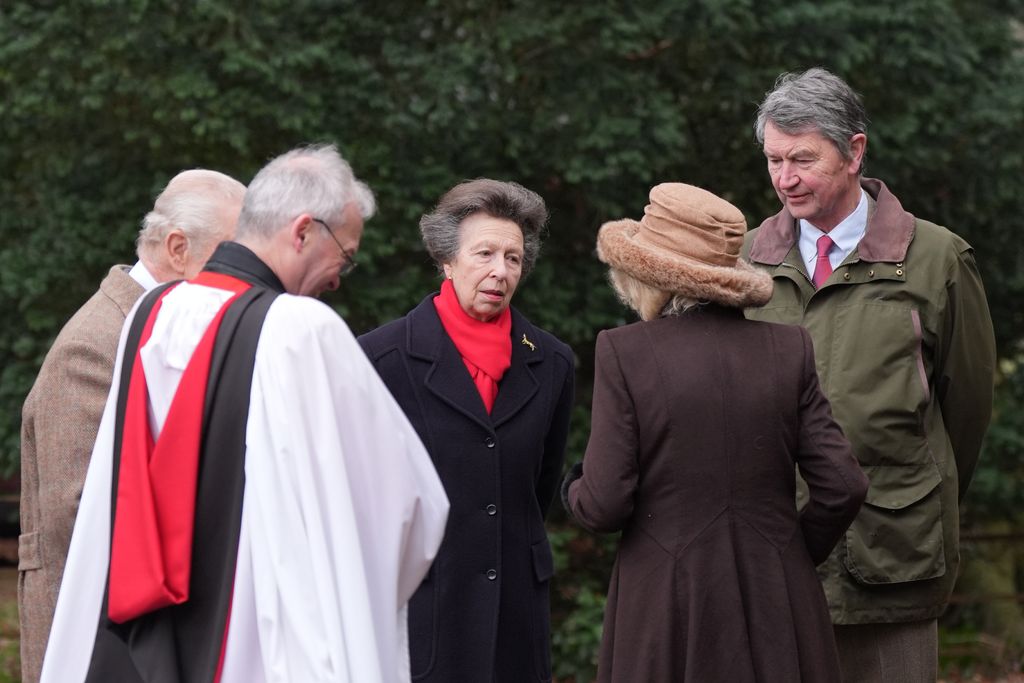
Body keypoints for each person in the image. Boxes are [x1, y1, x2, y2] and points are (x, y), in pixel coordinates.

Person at [40, 144, 450, 683]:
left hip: (145, 631)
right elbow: (408, 505)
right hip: (256, 634)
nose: (339, 278)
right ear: (303, 231)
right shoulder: (304, 330)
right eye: (345, 256)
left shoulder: (151, 312)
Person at [742, 67, 997, 682]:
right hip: (774, 552)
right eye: (774, 160)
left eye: (802, 159)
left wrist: (911, 495)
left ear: (855, 149)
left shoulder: (937, 258)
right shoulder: (746, 261)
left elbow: (966, 410)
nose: (785, 179)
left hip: (892, 557)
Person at [563, 182, 868, 682]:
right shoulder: (788, 348)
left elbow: (604, 505)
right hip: (779, 600)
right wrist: (785, 551)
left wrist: (571, 487)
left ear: (646, 274)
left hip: (664, 604)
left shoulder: (625, 352)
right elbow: (844, 485)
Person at [19, 168, 245, 683]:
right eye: (232, 255)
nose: (245, 277)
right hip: (93, 644)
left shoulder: (159, 326)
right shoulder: (96, 343)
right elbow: (74, 518)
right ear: (178, 247)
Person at [358, 178, 574, 682]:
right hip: (425, 607)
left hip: (516, 616)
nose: (500, 270)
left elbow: (536, 490)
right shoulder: (380, 359)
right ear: (446, 259)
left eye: (514, 258)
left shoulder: (552, 362)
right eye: (484, 254)